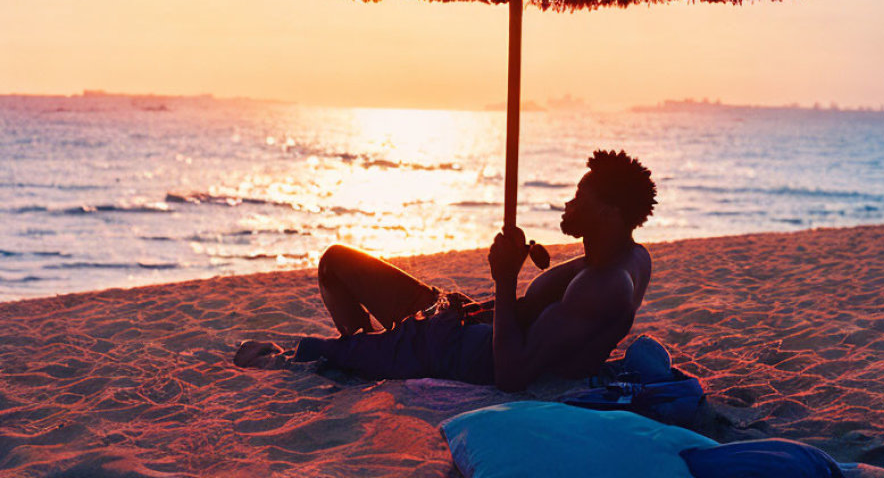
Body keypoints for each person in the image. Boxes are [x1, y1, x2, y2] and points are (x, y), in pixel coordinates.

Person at [240, 149, 655, 391]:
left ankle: (364, 355)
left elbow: (511, 374)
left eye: (579, 195)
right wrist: (475, 304)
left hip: (448, 352)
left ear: (609, 211)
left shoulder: (603, 286)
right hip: (453, 322)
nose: (568, 203)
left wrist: (506, 277)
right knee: (336, 262)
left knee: (269, 354)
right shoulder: (624, 257)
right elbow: (530, 315)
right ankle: (369, 350)